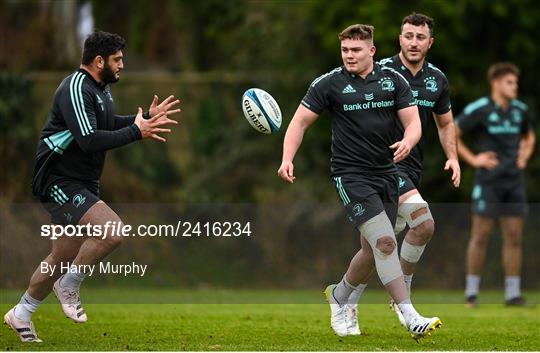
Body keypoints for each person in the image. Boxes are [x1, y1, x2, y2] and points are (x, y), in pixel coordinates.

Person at [3, 30, 181, 343]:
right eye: (117, 60)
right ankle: (69, 284)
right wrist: (137, 133)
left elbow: (108, 124)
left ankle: (21, 313)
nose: (122, 65)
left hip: (81, 182)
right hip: (58, 180)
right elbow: (88, 140)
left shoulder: (100, 90)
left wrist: (144, 118)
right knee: (113, 230)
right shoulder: (75, 87)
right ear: (99, 61)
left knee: (60, 256)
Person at [277, 24, 441, 340]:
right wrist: (287, 158)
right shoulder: (329, 84)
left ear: (372, 51)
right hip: (351, 177)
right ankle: (409, 315)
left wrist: (408, 140)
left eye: (356, 50)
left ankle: (340, 296)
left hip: (389, 174)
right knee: (385, 242)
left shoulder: (393, 80)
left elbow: (414, 123)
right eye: (345, 50)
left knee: (372, 249)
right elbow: (299, 122)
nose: (349, 56)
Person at [342, 13, 460, 333]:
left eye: (420, 37)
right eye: (408, 35)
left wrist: (454, 157)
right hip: (382, 167)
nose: (413, 42)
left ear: (429, 43)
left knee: (372, 251)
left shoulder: (437, 79)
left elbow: (446, 123)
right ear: (399, 39)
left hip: (412, 167)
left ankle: (344, 297)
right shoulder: (381, 72)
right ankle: (402, 300)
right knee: (423, 224)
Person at [456, 62, 535, 307]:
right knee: (481, 235)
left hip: (514, 182)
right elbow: (453, 132)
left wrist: (525, 153)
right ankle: (471, 294)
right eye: (510, 82)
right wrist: (473, 159)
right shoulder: (480, 109)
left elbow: (529, 135)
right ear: (496, 84)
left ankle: (512, 294)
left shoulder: (520, 110)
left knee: (513, 236)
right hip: (488, 182)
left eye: (516, 83)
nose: (515, 87)